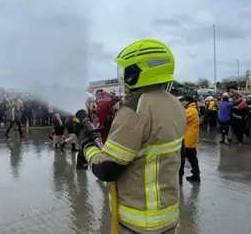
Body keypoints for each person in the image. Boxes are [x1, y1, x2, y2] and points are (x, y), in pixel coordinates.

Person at [80, 39, 186, 233]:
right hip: (168, 217)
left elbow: (106, 168)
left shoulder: (135, 109)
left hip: (139, 222)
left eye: (124, 71)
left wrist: (87, 145)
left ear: (137, 72)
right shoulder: (176, 104)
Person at [178, 96, 201, 184]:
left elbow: (181, 119)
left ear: (187, 101)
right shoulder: (191, 109)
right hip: (189, 137)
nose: (180, 103)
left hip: (188, 138)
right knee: (192, 157)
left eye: (181, 101)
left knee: (189, 157)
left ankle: (195, 175)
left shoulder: (190, 110)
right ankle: (195, 174)